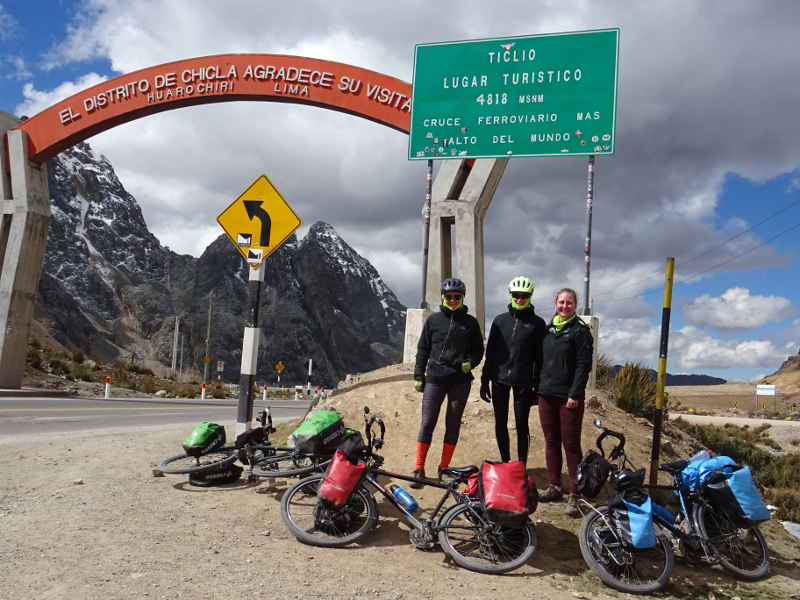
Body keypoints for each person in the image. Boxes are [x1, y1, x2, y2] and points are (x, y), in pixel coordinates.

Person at [412, 277, 484, 487]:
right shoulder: (433, 321)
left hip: (460, 381)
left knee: (452, 425)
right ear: (443, 297)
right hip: (434, 378)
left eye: (457, 297)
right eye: (449, 297)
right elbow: (422, 349)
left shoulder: (470, 323)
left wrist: (470, 363)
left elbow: (478, 350)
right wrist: (418, 375)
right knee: (427, 423)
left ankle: (444, 468)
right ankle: (419, 468)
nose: (453, 300)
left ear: (462, 298)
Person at [536, 287, 593, 517]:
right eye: (561, 302)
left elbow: (583, 366)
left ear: (575, 305)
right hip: (546, 393)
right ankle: (554, 486)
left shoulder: (580, 332)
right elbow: (540, 361)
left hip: (568, 398)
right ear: (555, 303)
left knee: (570, 445)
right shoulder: (548, 330)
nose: (564, 306)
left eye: (569, 303)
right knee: (551, 442)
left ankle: (576, 494)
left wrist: (574, 394)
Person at [480, 276, 546, 464]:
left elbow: (541, 358)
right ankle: (505, 462)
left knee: (521, 425)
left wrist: (538, 386)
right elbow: (491, 352)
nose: (520, 299)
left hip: (524, 382)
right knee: (500, 422)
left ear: (530, 296)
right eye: (516, 295)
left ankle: (521, 466)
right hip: (499, 379)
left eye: (524, 295)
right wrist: (485, 380)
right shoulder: (500, 321)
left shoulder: (538, 324)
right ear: (511, 295)